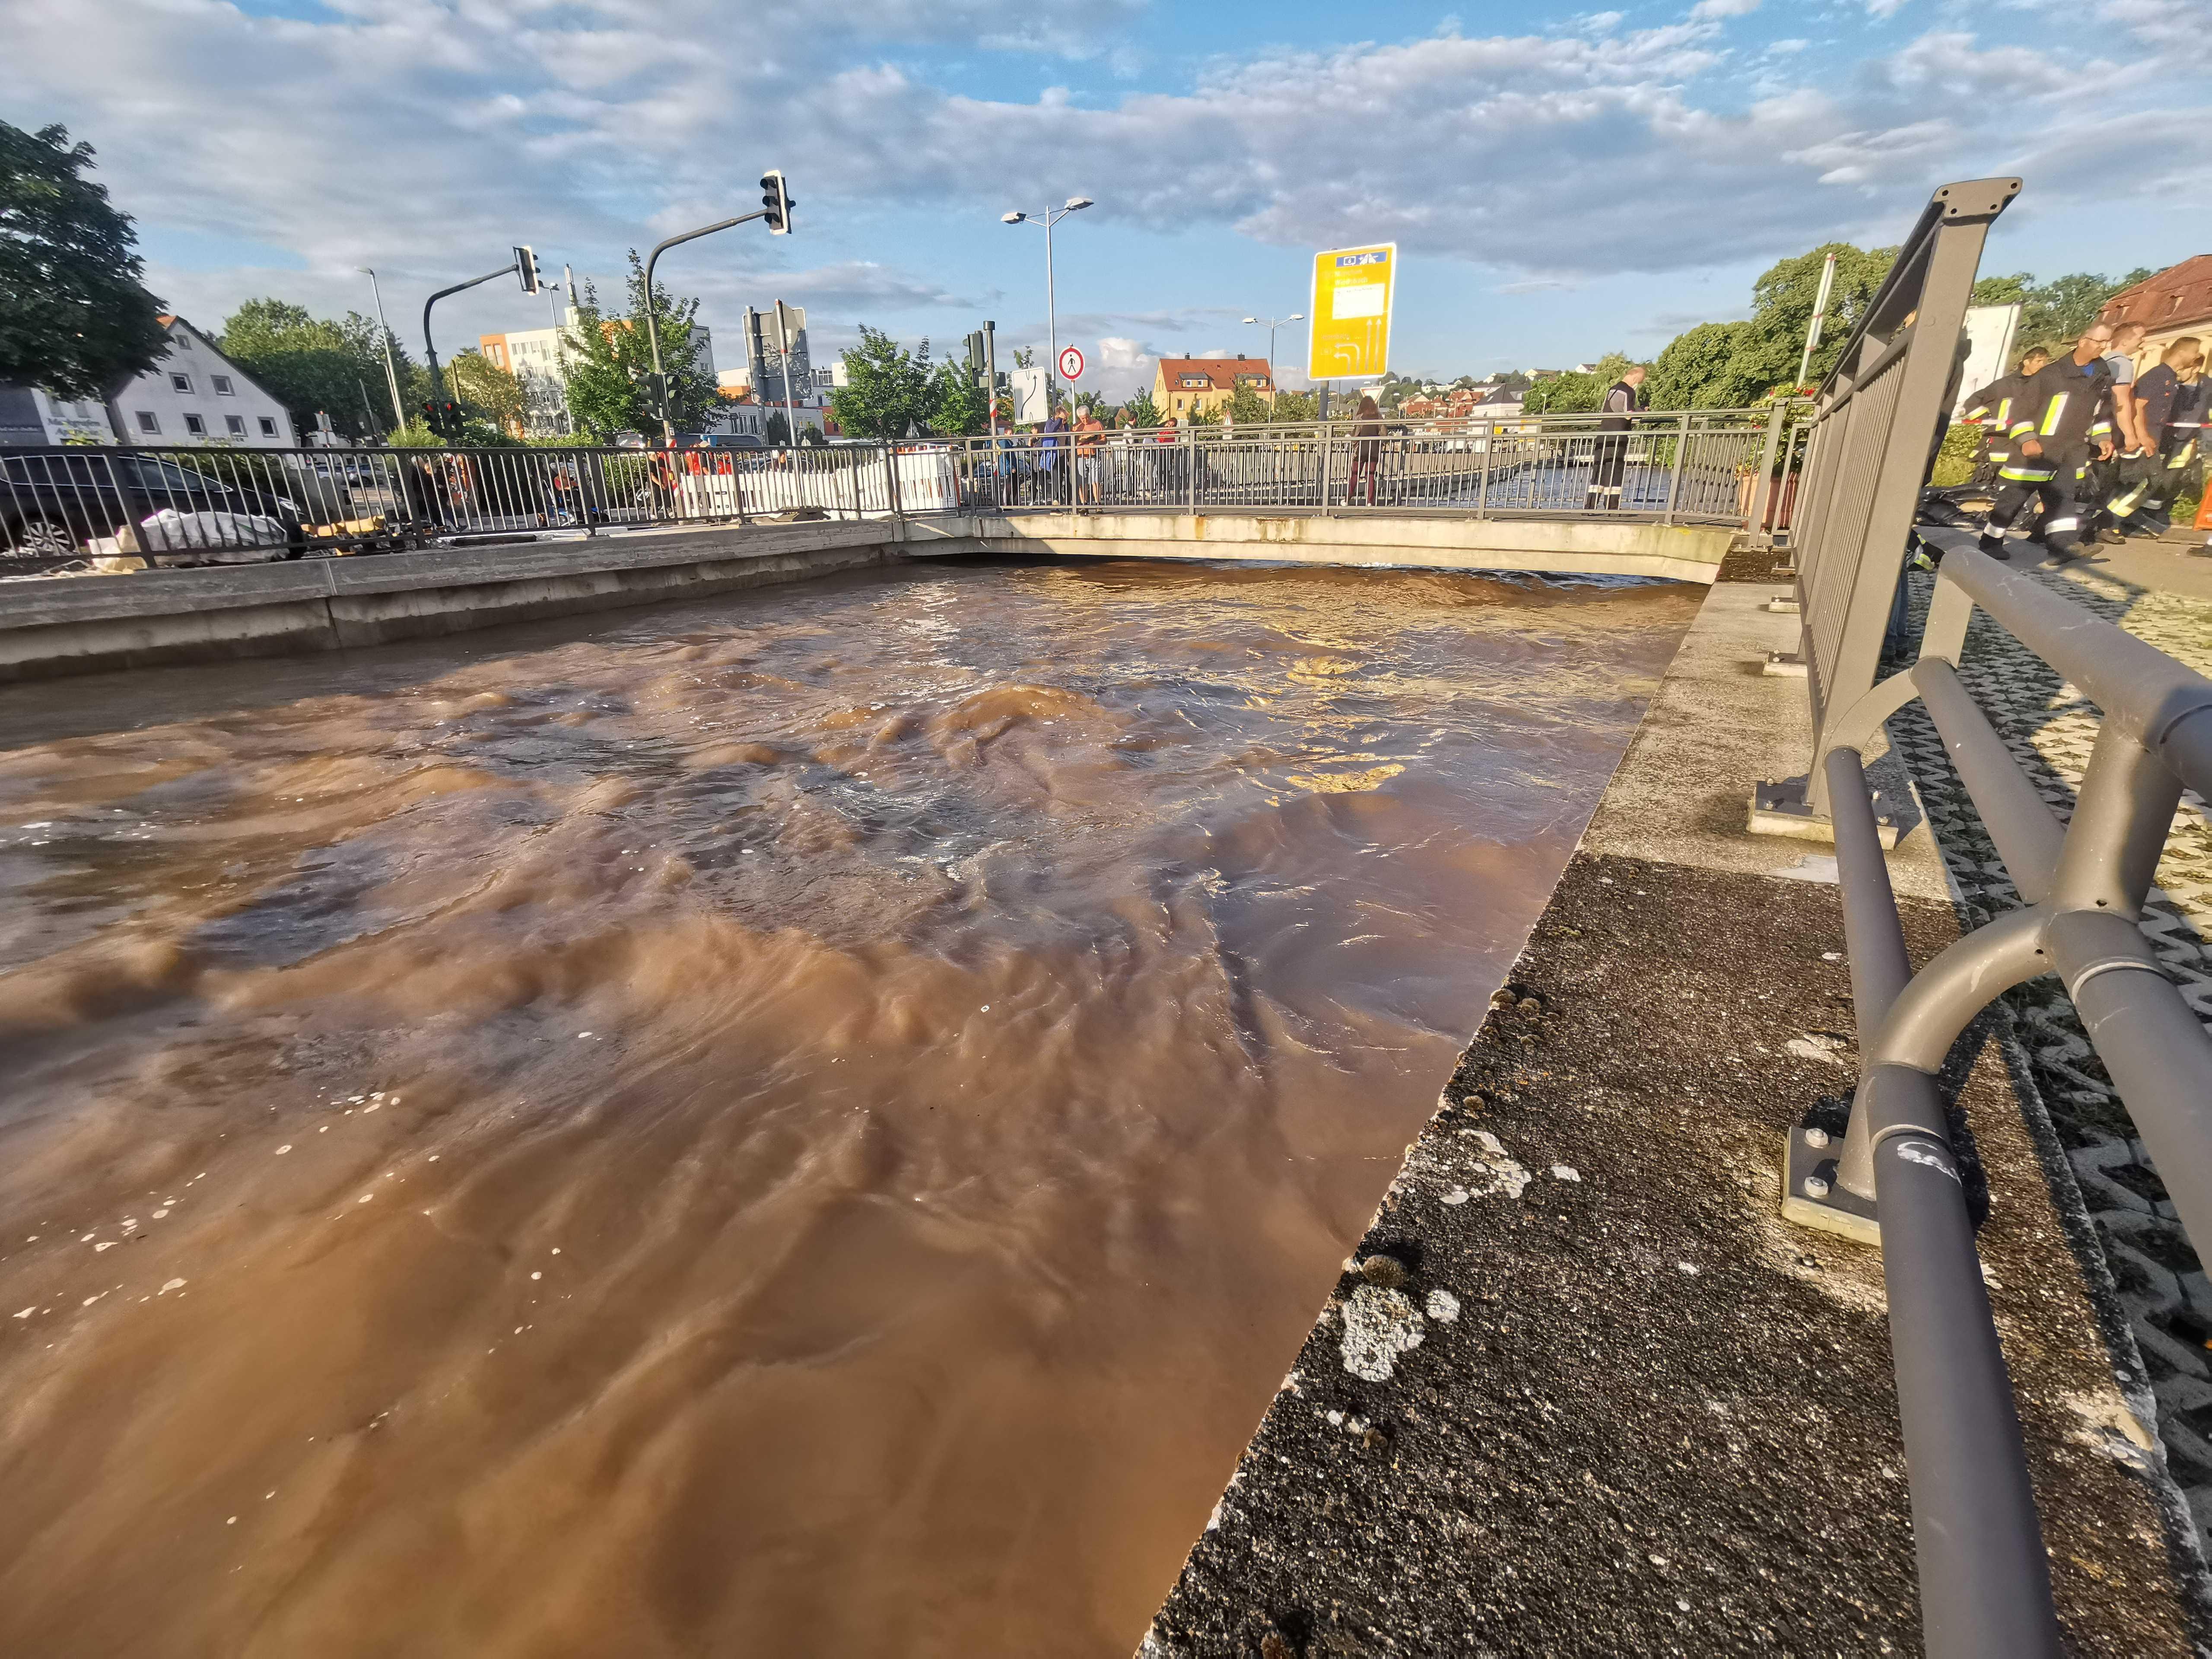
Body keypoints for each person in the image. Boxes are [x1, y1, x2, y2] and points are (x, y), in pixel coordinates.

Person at [1977, 327, 2117, 565]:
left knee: (2063, 498)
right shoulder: (2050, 375)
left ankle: (2062, 547)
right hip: (2040, 449)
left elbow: (2102, 412)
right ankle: (1990, 542)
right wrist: (2026, 439)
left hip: (2072, 450)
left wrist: (2102, 438)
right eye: (2098, 342)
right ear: (2083, 341)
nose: (2103, 347)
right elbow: (2020, 411)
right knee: (2014, 498)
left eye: (2106, 342)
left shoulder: (2101, 376)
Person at [2108, 336, 2202, 537]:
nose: (2196, 357)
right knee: (2148, 482)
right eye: (2194, 352)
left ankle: (2114, 523)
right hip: (2145, 438)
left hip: (2154, 438)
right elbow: (2137, 406)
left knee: (2144, 483)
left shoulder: (2171, 377)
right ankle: (2108, 522)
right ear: (2182, 352)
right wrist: (2142, 436)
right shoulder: (2158, 375)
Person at [1959, 346, 2050, 489]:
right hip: (1999, 444)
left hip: (2024, 446)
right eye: (2039, 361)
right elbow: (1972, 402)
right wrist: (1989, 420)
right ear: (2027, 362)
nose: (2043, 366)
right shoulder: (2004, 385)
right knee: (1983, 492)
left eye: (2045, 362)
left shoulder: (2044, 388)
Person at [1586, 364, 1645, 510]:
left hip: (1603, 436)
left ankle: (1589, 507)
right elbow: (1629, 414)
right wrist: (1642, 411)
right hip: (1618, 437)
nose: (1639, 384)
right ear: (1636, 377)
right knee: (1615, 470)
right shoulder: (1628, 391)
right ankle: (1612, 507)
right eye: (1640, 381)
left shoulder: (1611, 390)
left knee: (1599, 470)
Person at [1349, 395, 1382, 505]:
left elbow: (1356, 436)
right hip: (1374, 450)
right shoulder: (1379, 417)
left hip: (1362, 449)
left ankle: (1347, 498)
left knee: (1355, 474)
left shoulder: (1360, 417)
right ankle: (1370, 501)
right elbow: (1384, 433)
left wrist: (1352, 440)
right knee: (1371, 475)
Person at [1074, 407, 1106, 508]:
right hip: (1081, 456)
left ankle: (1098, 505)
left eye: (1086, 417)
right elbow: (1072, 442)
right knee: (1082, 482)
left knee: (1096, 481)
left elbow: (1104, 439)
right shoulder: (1076, 427)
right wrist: (1083, 440)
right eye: (1082, 418)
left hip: (1094, 456)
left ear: (1089, 415)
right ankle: (1084, 505)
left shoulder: (1097, 424)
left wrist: (1096, 443)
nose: (1084, 420)